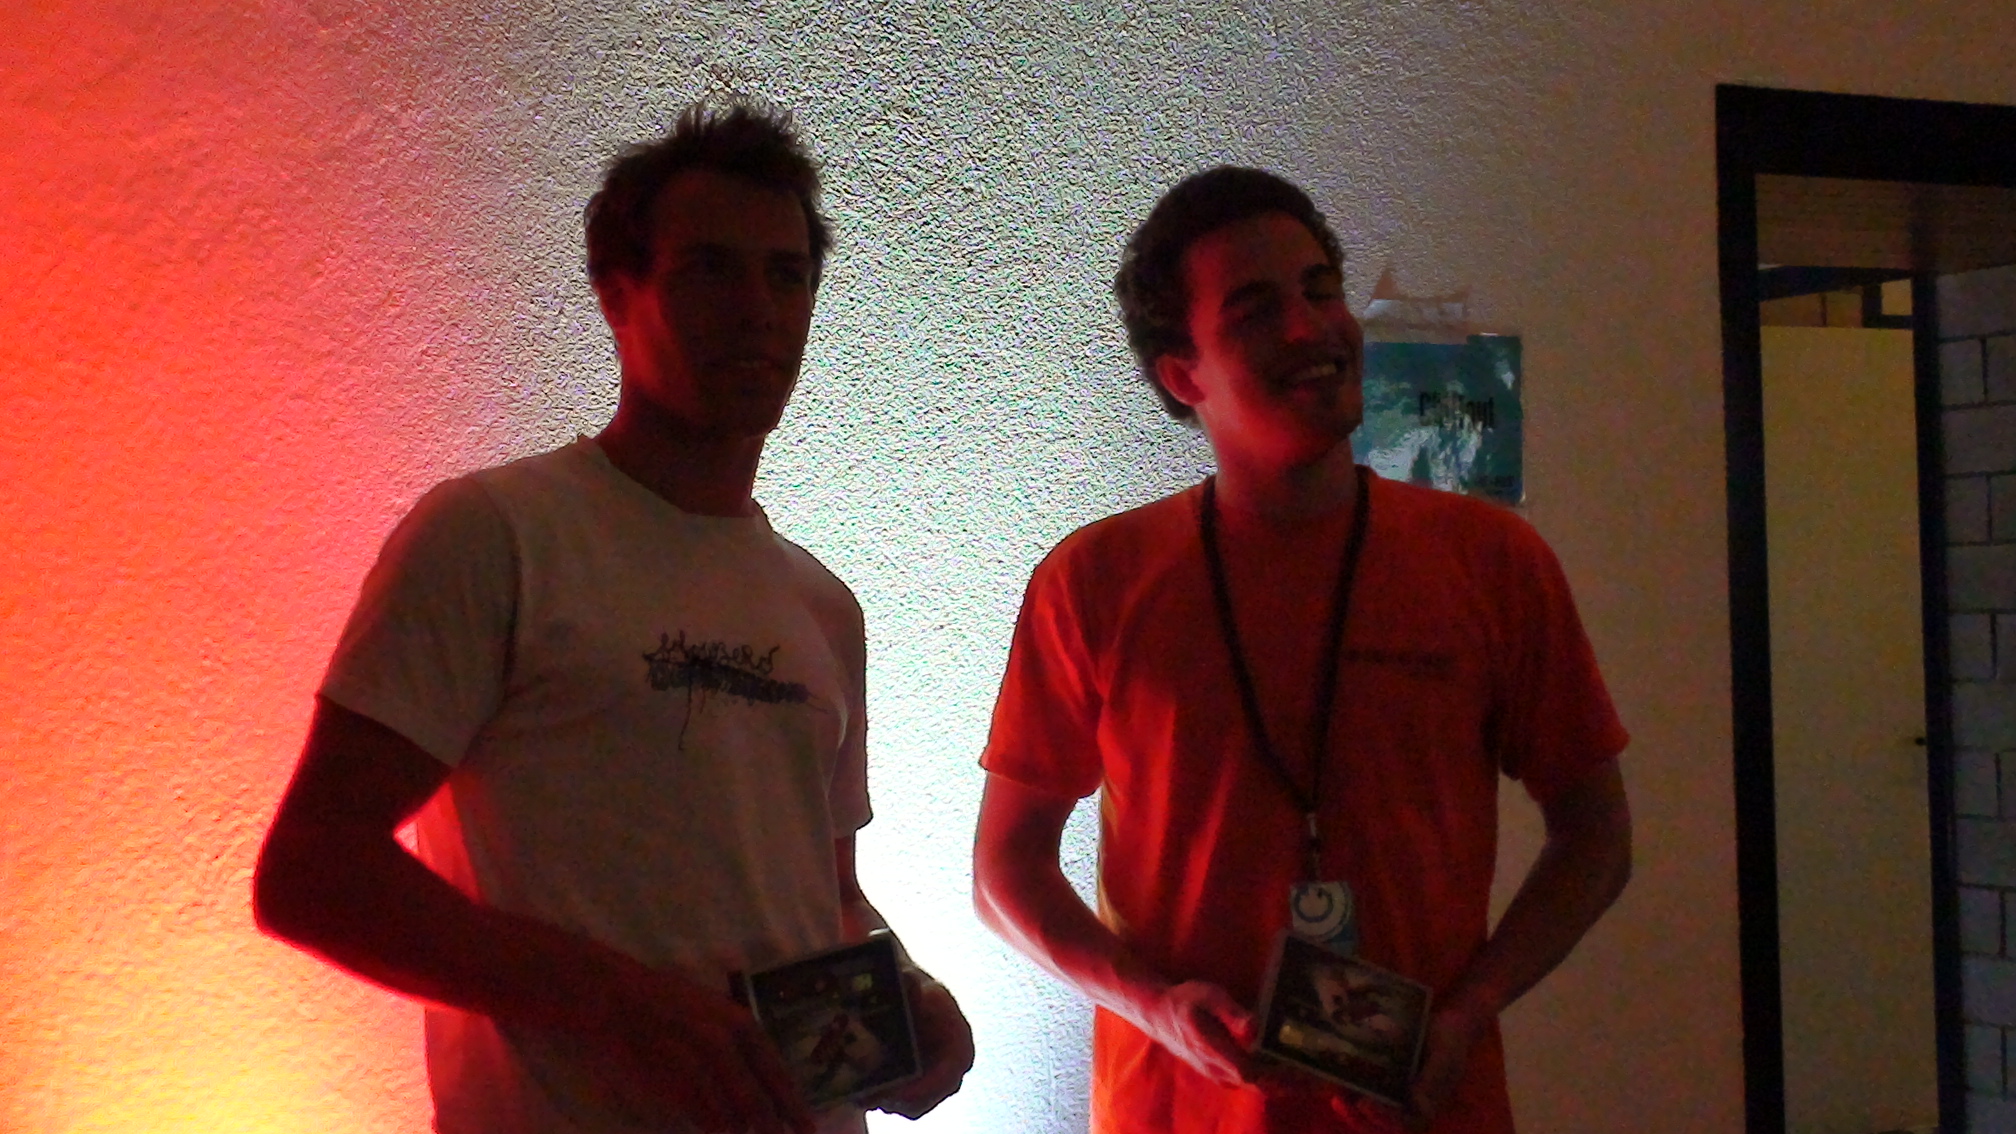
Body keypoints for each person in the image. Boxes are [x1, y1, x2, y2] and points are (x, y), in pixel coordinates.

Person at [254, 100, 972, 1134]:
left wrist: (911, 994)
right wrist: (625, 1007)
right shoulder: (497, 534)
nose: (757, 310)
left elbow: (825, 897)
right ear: (616, 294)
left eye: (786, 275)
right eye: (710, 270)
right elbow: (314, 874)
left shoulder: (823, 608)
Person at [971, 166, 1631, 1134]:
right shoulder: (1094, 581)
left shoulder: (1493, 562)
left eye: (1321, 290)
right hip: (1178, 1115)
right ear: (1184, 375)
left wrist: (1470, 1010)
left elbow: (1597, 837)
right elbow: (1005, 871)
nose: (1310, 327)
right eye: (1255, 311)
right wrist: (1154, 1006)